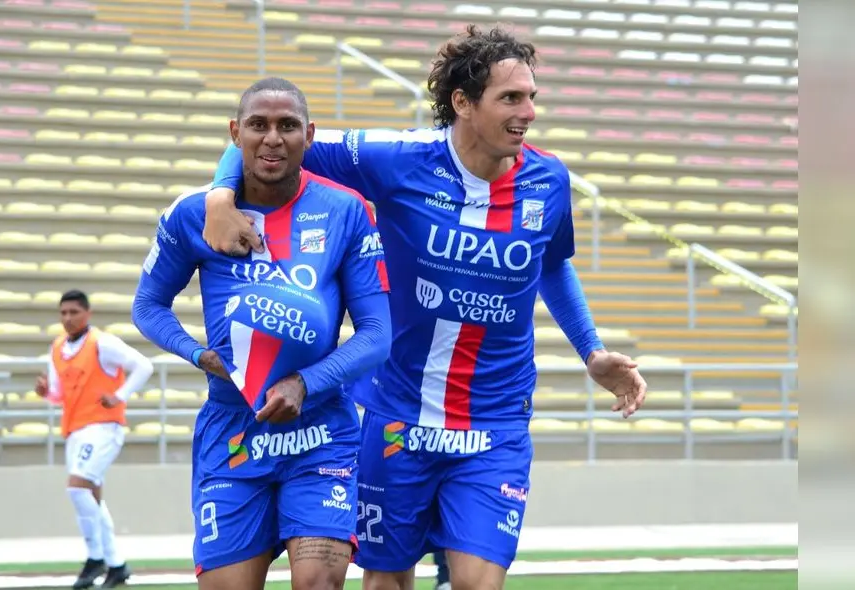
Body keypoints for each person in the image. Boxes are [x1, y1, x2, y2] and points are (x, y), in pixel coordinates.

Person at [199, 25, 647, 590]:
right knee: (385, 581)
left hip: (496, 422)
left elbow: (551, 264)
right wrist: (219, 195)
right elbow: (276, 138)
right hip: (396, 415)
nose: (529, 111)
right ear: (463, 103)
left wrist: (592, 350)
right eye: (511, 97)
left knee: (477, 584)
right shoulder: (398, 158)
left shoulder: (549, 180)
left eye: (532, 96)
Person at [131, 77, 392, 590]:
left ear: (309, 135)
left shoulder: (347, 211)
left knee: (319, 581)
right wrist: (198, 353)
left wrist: (304, 384)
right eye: (258, 125)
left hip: (321, 432)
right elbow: (148, 305)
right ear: (235, 133)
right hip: (232, 429)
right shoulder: (193, 215)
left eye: (287, 126)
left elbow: (377, 334)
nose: (273, 138)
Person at [34, 289, 154, 589]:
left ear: (88, 314)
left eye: (74, 312)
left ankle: (95, 557)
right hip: (75, 429)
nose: (68, 318)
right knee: (92, 498)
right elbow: (60, 394)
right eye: (63, 313)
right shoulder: (57, 347)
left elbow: (144, 366)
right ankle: (117, 566)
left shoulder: (102, 343)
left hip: (102, 427)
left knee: (77, 489)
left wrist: (120, 396)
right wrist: (46, 392)